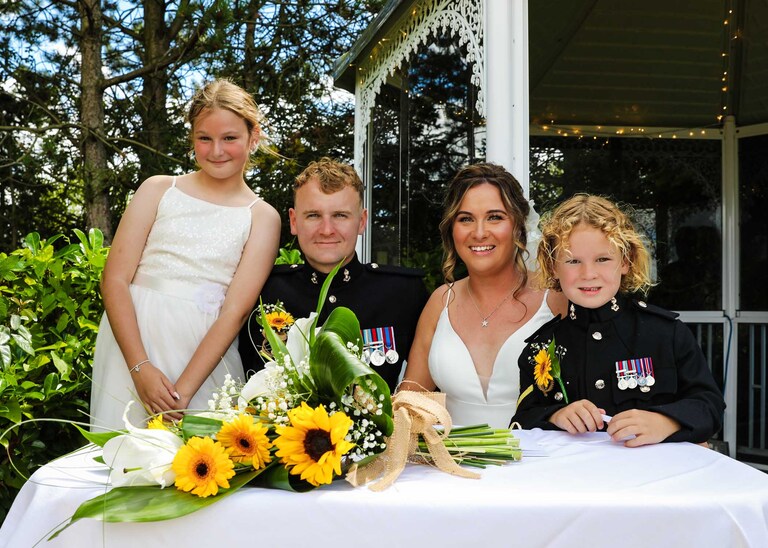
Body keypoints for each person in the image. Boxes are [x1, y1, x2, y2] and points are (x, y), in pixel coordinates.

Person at [90, 79, 281, 431]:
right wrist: (140, 368)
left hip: (204, 354)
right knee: (124, 459)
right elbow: (114, 279)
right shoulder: (159, 189)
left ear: (253, 137)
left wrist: (182, 394)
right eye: (204, 138)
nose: (216, 150)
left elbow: (235, 311)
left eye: (230, 138)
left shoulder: (261, 216)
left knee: (203, 469)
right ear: (192, 137)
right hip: (134, 342)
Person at [512, 194, 725, 446]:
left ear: (625, 261)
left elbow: (709, 405)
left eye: (603, 259)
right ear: (553, 266)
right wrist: (555, 415)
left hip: (655, 479)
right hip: (575, 481)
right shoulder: (541, 347)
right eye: (572, 261)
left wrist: (667, 421)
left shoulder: (666, 334)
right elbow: (521, 421)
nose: (588, 274)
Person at [238, 158, 428, 392]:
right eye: (313, 215)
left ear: (362, 222)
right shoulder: (262, 290)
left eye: (340, 215)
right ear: (294, 221)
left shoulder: (403, 293)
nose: (327, 230)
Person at [400, 163, 567, 429]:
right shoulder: (441, 302)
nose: (479, 233)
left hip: (541, 463)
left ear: (519, 225)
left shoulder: (557, 298)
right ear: (452, 228)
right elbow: (410, 402)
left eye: (495, 217)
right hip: (456, 465)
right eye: (466, 219)